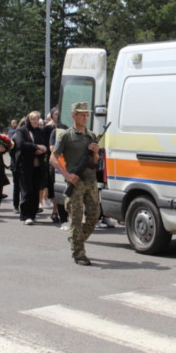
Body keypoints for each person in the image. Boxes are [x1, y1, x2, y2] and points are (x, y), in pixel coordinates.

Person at [50, 102, 100, 266]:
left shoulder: (92, 136)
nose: (85, 118)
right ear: (74, 115)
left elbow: (95, 162)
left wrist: (95, 153)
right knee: (76, 218)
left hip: (90, 181)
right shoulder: (66, 136)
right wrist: (67, 175)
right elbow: (53, 158)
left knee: (94, 215)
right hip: (75, 182)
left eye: (87, 115)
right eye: (82, 115)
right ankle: (79, 253)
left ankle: (75, 239)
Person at [14, 111, 47, 225]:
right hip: (25, 165)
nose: (35, 122)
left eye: (37, 119)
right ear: (28, 120)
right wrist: (35, 147)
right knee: (26, 191)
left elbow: (45, 145)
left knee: (35, 191)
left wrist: (43, 150)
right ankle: (25, 215)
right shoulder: (22, 130)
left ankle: (32, 214)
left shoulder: (40, 131)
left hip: (38, 165)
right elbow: (20, 144)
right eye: (33, 119)